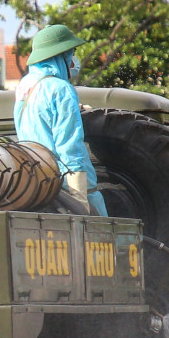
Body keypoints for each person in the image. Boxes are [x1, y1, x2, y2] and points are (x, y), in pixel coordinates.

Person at [13, 24, 106, 215]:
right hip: (66, 185)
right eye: (71, 53)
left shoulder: (25, 85)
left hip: (39, 182)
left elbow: (40, 118)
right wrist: (80, 196)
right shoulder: (61, 89)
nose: (73, 60)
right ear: (60, 55)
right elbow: (69, 145)